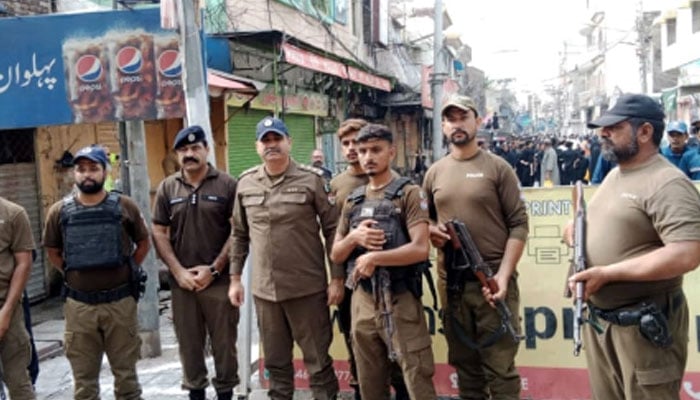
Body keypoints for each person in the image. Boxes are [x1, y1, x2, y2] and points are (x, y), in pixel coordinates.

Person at [569, 93, 700, 400]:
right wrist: (576, 231)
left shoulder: (667, 183)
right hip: (603, 324)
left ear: (644, 132)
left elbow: (687, 253)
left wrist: (609, 273)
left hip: (644, 329)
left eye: (615, 127)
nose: (604, 133)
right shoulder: (616, 174)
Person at [423, 94, 528, 400]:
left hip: (492, 282)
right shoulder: (434, 173)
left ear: (477, 121)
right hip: (452, 286)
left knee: (500, 369)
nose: (457, 124)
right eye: (451, 119)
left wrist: (504, 278)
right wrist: (432, 231)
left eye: (463, 117)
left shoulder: (498, 168)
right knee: (466, 369)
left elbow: (519, 225)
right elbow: (422, 221)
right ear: (443, 126)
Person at [228, 116, 340, 400]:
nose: (272, 145)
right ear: (257, 147)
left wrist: (336, 278)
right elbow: (239, 235)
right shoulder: (246, 183)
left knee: (318, 363)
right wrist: (234, 279)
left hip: (307, 289)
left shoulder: (312, 180)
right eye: (265, 141)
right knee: (276, 366)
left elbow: (332, 230)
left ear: (289, 142)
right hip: (265, 293)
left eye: (277, 139)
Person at [330, 123, 436, 400]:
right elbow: (336, 253)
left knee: (416, 376)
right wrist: (355, 237)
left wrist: (376, 257)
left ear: (391, 152)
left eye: (375, 150)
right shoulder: (353, 199)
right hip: (363, 300)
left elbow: (420, 248)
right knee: (370, 380)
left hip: (400, 297)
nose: (367, 156)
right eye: (362, 150)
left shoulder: (409, 193)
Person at [43, 145, 150, 400]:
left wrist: (128, 268)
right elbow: (52, 250)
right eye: (81, 169)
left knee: (127, 380)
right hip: (80, 307)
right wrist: (71, 274)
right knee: (84, 384)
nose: (87, 174)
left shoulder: (125, 206)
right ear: (74, 174)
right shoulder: (58, 211)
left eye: (94, 168)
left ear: (105, 171)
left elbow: (143, 243)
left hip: (120, 304)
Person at [152, 126, 239, 400]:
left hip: (219, 282)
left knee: (225, 346)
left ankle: (226, 393)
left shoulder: (226, 184)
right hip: (183, 285)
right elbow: (158, 231)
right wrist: (177, 272)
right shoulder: (168, 187)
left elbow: (238, 231)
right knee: (189, 348)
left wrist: (215, 268)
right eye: (183, 150)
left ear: (206, 149)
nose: (189, 154)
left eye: (195, 148)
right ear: (178, 154)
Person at [0, 197, 37, 399]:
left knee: (18, 383)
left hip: (7, 308)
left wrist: (6, 312)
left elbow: (24, 263)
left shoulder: (13, 213)